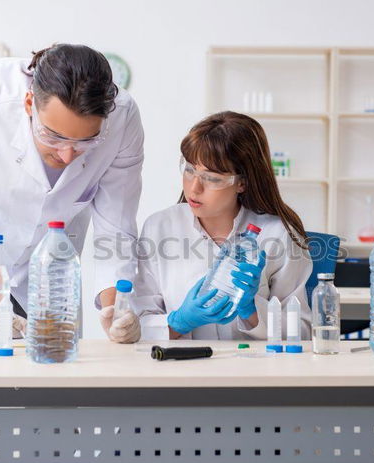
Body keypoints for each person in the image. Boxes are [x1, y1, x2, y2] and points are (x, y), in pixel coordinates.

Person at [0, 44, 143, 339]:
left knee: (52, 374)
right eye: (53, 136)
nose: (67, 155)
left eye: (85, 142)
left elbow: (116, 230)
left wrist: (117, 310)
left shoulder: (123, 119)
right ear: (28, 103)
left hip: (52, 274)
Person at [110, 111, 312, 342]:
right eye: (189, 170)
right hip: (179, 370)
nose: (194, 188)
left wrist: (252, 310)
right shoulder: (159, 227)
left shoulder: (278, 235)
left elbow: (303, 332)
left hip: (252, 373)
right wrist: (178, 322)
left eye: (212, 178)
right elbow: (137, 323)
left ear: (242, 182)